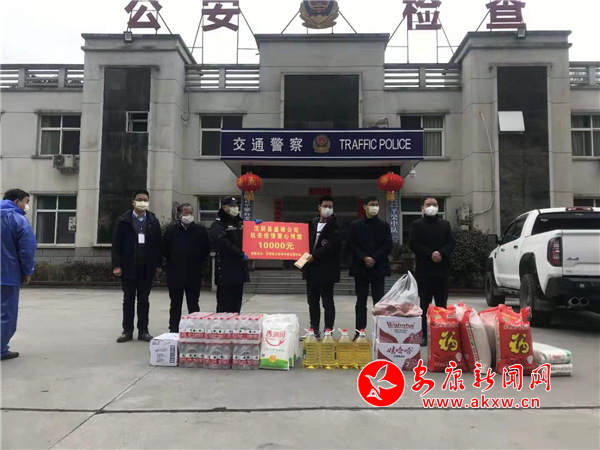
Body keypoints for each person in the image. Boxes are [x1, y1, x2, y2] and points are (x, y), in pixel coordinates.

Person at [112, 189, 163, 343]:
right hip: (128, 267)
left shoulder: (153, 220)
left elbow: (158, 244)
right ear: (133, 202)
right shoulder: (123, 220)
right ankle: (127, 331)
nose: (142, 202)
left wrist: (158, 264)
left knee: (144, 300)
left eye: (145, 200)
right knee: (128, 299)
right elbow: (116, 245)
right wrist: (116, 265)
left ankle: (143, 331)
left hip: (146, 267)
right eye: (139, 199)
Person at [409, 197, 455, 346]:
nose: (431, 207)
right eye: (428, 204)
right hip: (424, 271)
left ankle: (441, 334)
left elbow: (451, 242)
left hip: (442, 271)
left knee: (441, 305)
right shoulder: (416, 225)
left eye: (434, 204)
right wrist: (430, 254)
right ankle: (424, 334)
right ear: (422, 208)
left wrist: (441, 253)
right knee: (424, 305)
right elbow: (413, 243)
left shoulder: (445, 224)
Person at [348, 196, 393, 339]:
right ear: (365, 207)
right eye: (372, 204)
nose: (375, 207)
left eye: (376, 204)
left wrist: (374, 257)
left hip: (378, 267)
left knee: (378, 301)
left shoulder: (384, 225)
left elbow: (388, 244)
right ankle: (359, 331)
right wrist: (364, 257)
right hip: (360, 268)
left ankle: (380, 332)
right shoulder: (355, 225)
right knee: (361, 301)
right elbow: (351, 244)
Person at [163, 203, 210, 333]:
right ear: (179, 214)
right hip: (175, 272)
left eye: (190, 212)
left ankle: (195, 328)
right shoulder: (171, 230)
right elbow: (165, 249)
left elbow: (206, 249)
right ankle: (174, 328)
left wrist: (198, 262)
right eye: (185, 213)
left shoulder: (200, 230)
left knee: (193, 303)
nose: (188, 215)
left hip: (193, 272)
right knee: (175, 303)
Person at [1, 189, 37, 361]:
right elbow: (27, 249)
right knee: (6, 314)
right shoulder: (17, 219)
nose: (27, 206)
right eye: (26, 201)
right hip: (7, 275)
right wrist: (27, 271)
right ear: (17, 202)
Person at [302, 196, 342, 339]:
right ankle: (314, 329)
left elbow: (333, 246)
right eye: (325, 206)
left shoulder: (336, 225)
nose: (327, 209)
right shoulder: (312, 223)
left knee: (327, 302)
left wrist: (315, 255)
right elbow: (299, 239)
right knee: (312, 302)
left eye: (330, 207)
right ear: (319, 207)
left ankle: (328, 331)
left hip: (327, 270)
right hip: (311, 270)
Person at [210, 197, 249, 314]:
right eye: (232, 206)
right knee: (224, 306)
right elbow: (222, 242)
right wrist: (240, 254)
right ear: (224, 207)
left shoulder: (240, 223)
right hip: (225, 271)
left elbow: (250, 238)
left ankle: (235, 325)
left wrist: (255, 227)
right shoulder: (218, 224)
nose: (235, 208)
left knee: (236, 305)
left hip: (239, 270)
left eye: (236, 205)